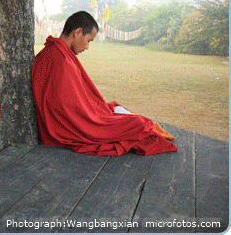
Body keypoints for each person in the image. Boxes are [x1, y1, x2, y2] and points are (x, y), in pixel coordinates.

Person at [31, 10, 178, 156]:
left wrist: (95, 107)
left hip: (77, 116)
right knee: (139, 124)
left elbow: (73, 97)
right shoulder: (59, 58)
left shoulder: (56, 52)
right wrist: (95, 114)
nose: (87, 47)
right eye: (88, 40)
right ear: (77, 32)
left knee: (118, 111)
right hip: (73, 125)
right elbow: (67, 105)